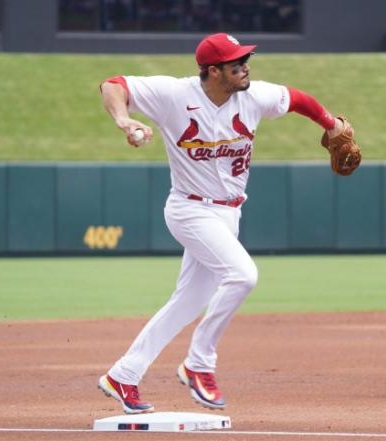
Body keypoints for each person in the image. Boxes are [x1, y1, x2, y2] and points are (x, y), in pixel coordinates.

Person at [97, 32, 354, 414]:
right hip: (190, 210)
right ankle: (199, 364)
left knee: (188, 302)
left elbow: (298, 99)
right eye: (237, 63)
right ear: (213, 71)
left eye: (246, 59)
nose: (246, 66)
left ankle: (124, 375)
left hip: (228, 213)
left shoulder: (254, 95)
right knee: (243, 275)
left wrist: (331, 124)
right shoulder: (174, 95)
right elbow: (112, 85)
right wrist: (125, 121)